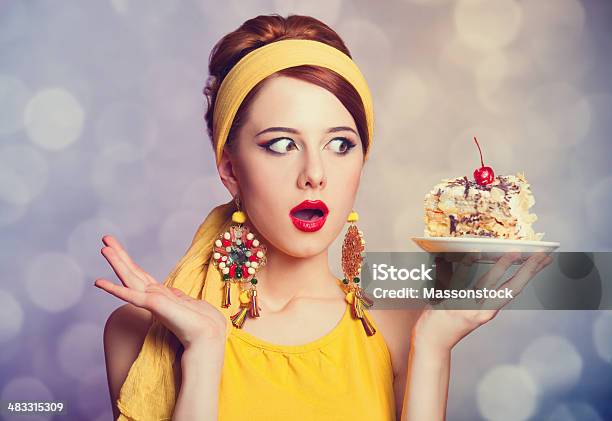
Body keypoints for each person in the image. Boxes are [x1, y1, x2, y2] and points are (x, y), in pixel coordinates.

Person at [96, 14, 553, 421]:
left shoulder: (403, 329)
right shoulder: (139, 333)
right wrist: (204, 352)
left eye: (340, 144)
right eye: (281, 144)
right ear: (231, 169)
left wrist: (434, 345)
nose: (315, 174)